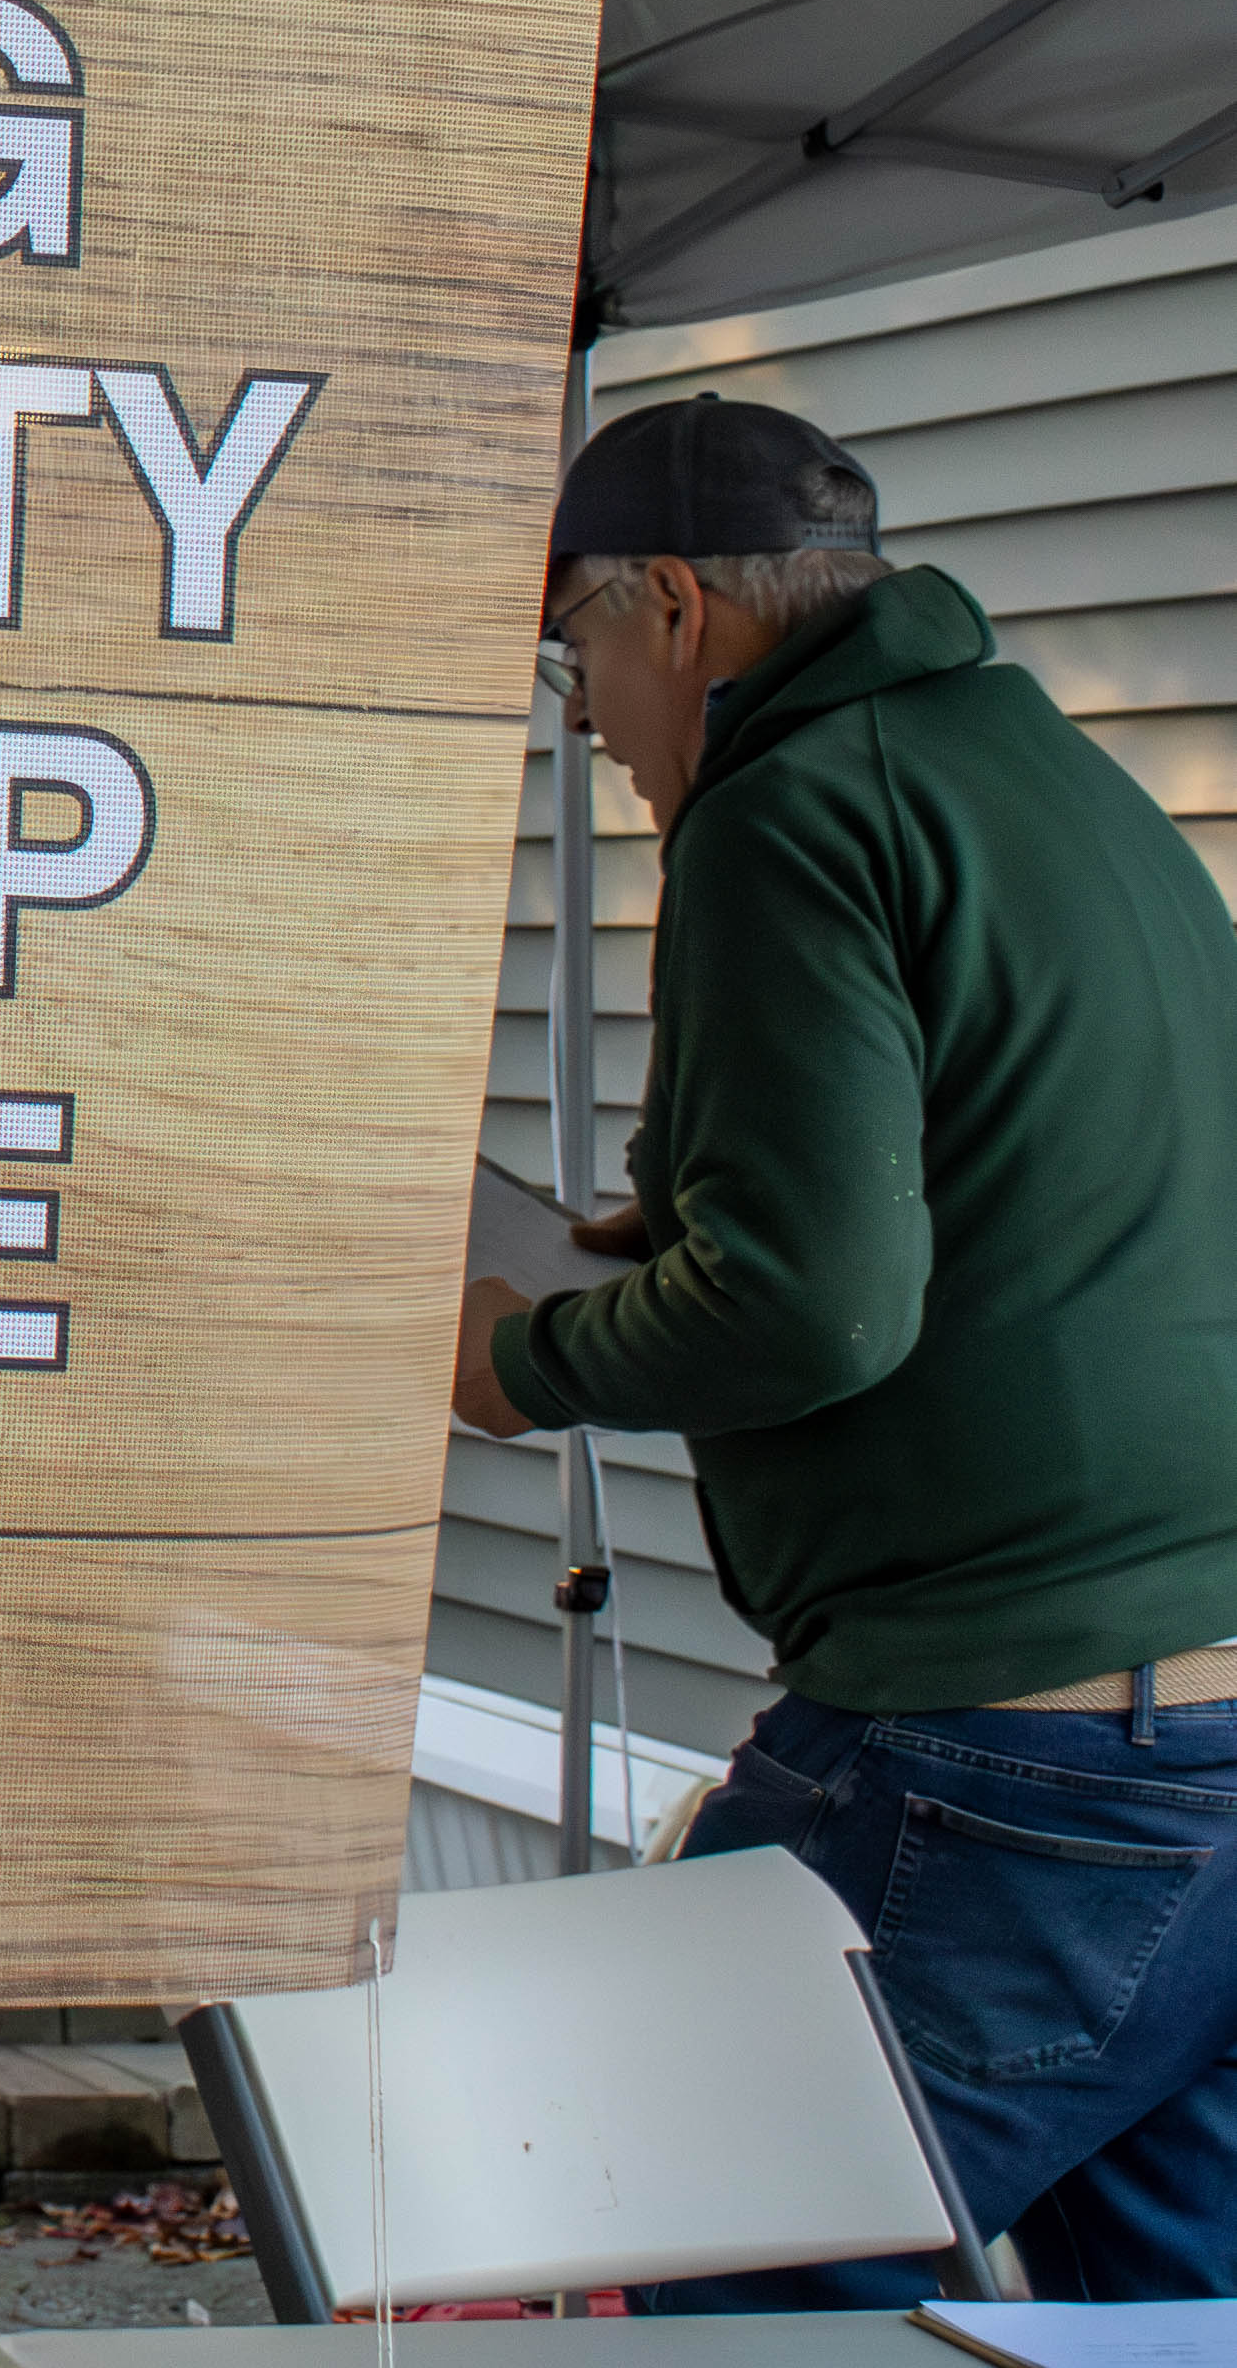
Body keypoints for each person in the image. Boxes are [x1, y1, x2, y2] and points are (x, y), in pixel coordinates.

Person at [455, 391, 1237, 2304]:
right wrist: (691, 1220)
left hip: (1011, 1737)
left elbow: (819, 1309)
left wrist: (520, 1366)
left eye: (571, 647)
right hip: (1201, 1715)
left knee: (736, 2270)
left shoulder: (787, 812)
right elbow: (1033, 1158)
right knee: (1168, 2322)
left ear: (674, 609)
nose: (579, 711)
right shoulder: (1044, 774)